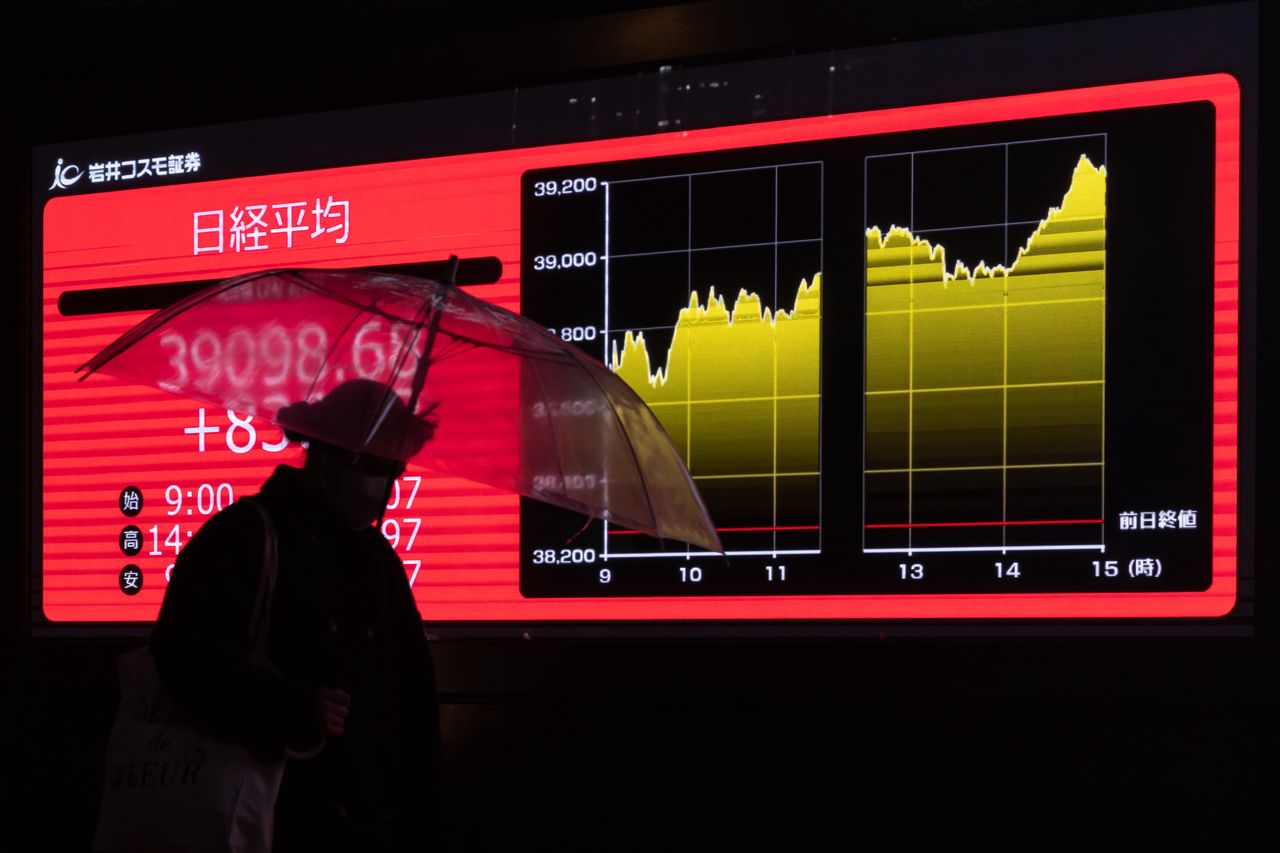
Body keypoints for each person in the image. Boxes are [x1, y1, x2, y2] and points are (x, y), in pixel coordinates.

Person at [150, 379, 442, 853]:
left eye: (397, 470)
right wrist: (289, 705)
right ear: (327, 456)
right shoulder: (246, 535)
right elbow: (184, 656)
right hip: (273, 821)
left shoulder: (377, 558)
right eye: (375, 466)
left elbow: (412, 702)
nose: (387, 486)